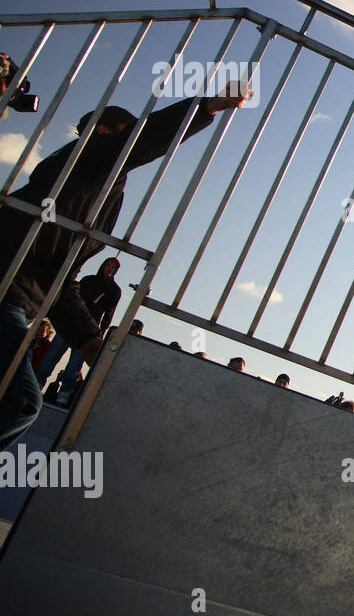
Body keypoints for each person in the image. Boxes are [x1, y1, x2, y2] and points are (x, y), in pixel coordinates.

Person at [0, 82, 251, 448]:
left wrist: (88, 340)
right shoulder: (77, 160)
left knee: (18, 401)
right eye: (126, 134)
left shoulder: (105, 199)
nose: (134, 148)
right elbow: (133, 144)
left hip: (18, 300)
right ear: (101, 131)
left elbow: (61, 276)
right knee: (20, 402)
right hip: (7, 291)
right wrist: (205, 108)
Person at [35, 257, 123, 404]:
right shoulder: (88, 280)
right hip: (69, 324)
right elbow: (71, 297)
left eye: (113, 267)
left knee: (75, 364)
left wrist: (102, 333)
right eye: (107, 265)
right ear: (103, 265)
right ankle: (37, 383)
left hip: (89, 331)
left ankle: (65, 392)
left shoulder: (115, 290)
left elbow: (109, 314)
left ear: (115, 271)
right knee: (52, 355)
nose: (109, 269)